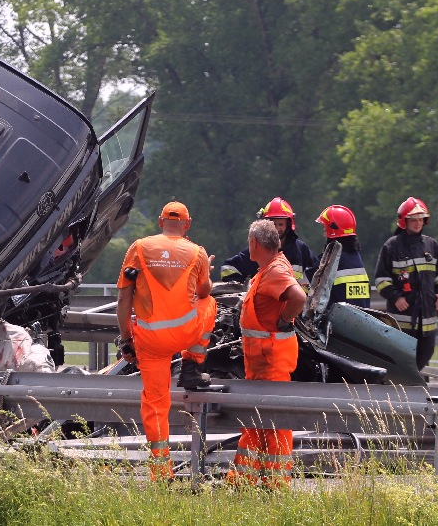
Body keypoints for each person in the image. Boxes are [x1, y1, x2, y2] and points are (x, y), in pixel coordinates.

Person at [115, 201, 216, 481]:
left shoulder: (138, 248)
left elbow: (124, 298)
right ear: (188, 224)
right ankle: (191, 364)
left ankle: (161, 472)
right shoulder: (197, 252)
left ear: (160, 222)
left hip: (150, 341)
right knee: (210, 303)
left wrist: (126, 340)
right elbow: (205, 291)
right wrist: (205, 267)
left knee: (156, 403)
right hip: (186, 334)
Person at [228, 219, 307, 488]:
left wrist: (284, 321)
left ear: (254, 244)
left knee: (274, 423)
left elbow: (298, 297)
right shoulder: (267, 269)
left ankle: (274, 482)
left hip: (271, 361)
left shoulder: (274, 271)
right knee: (257, 421)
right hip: (262, 362)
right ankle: (245, 479)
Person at [374, 197, 438, 371]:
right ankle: (403, 390)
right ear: (404, 222)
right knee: (402, 359)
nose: (418, 223)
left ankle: (411, 387)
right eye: (413, 220)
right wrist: (396, 298)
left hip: (427, 318)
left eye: (421, 219)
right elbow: (381, 279)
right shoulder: (392, 246)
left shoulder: (432, 246)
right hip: (403, 320)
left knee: (426, 353)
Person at [220, 197, 318, 288]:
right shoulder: (258, 249)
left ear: (288, 225)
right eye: (273, 224)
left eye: (281, 224)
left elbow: (318, 275)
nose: (277, 228)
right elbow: (228, 268)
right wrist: (245, 290)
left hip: (297, 304)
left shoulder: (300, 249)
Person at [314, 205, 371, 309]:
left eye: (325, 230)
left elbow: (315, 293)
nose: (324, 235)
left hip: (337, 323)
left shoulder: (331, 259)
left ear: (332, 231)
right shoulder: (356, 257)